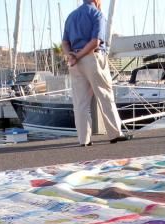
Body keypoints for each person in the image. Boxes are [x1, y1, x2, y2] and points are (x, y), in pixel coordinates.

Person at [61, 0, 131, 147]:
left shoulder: (71, 16)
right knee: (105, 96)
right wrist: (80, 56)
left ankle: (83, 139)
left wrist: (71, 56)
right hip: (92, 58)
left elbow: (65, 43)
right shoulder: (97, 14)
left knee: (80, 103)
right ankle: (115, 134)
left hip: (74, 62)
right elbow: (95, 42)